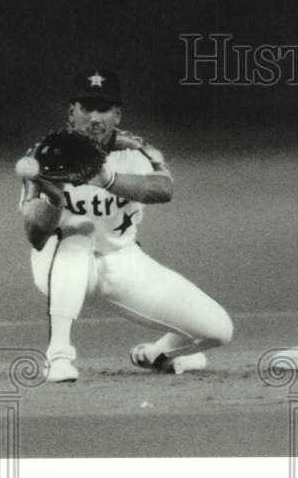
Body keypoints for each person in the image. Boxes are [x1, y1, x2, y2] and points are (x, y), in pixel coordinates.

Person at [19, 68, 234, 383]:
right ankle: (58, 356)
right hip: (58, 262)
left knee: (219, 330)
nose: (95, 117)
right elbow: (36, 236)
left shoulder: (134, 150)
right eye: (86, 108)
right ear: (71, 112)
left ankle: (155, 355)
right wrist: (54, 200)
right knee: (79, 229)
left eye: (104, 109)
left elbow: (164, 189)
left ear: (117, 114)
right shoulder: (45, 155)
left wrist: (107, 179)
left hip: (122, 259)